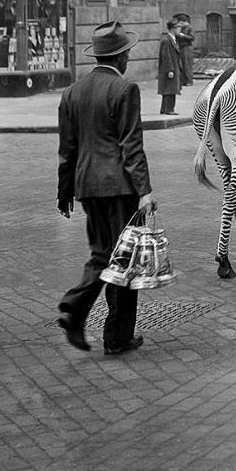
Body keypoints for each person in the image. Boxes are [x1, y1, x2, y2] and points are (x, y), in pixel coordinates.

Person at [57, 20, 157, 355]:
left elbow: (67, 149)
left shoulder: (72, 92)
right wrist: (144, 191)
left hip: (87, 187)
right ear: (119, 58)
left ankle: (76, 308)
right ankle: (117, 337)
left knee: (103, 254)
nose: (128, 57)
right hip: (120, 188)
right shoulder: (125, 90)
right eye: (126, 53)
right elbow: (132, 145)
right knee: (125, 261)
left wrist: (64, 191)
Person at [157, 18, 183, 115]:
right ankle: (169, 109)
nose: (180, 29)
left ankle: (165, 109)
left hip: (173, 67)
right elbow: (166, 56)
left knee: (170, 88)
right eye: (178, 28)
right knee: (169, 89)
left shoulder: (173, 39)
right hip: (170, 68)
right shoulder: (167, 41)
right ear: (173, 29)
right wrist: (170, 70)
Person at [173, 12, 195, 87]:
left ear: (184, 22)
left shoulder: (189, 28)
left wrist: (183, 36)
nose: (180, 24)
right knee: (181, 65)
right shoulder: (181, 28)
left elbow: (192, 37)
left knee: (187, 65)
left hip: (187, 47)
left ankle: (189, 81)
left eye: (181, 22)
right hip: (181, 47)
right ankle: (183, 80)